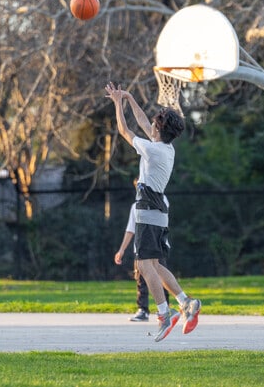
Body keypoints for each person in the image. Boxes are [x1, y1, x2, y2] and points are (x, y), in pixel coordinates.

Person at [105, 82, 201, 342]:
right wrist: (128, 97)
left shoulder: (152, 149)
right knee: (156, 265)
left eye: (155, 124)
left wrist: (116, 102)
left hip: (147, 208)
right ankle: (185, 302)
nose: (151, 125)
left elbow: (124, 130)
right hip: (159, 210)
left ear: (159, 129)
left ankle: (163, 314)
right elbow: (145, 124)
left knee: (143, 265)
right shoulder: (165, 149)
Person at [114, 183, 170, 322]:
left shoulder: (162, 200)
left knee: (162, 277)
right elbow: (130, 229)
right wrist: (122, 249)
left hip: (157, 247)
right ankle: (143, 309)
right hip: (141, 249)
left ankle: (166, 309)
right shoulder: (136, 207)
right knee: (141, 279)